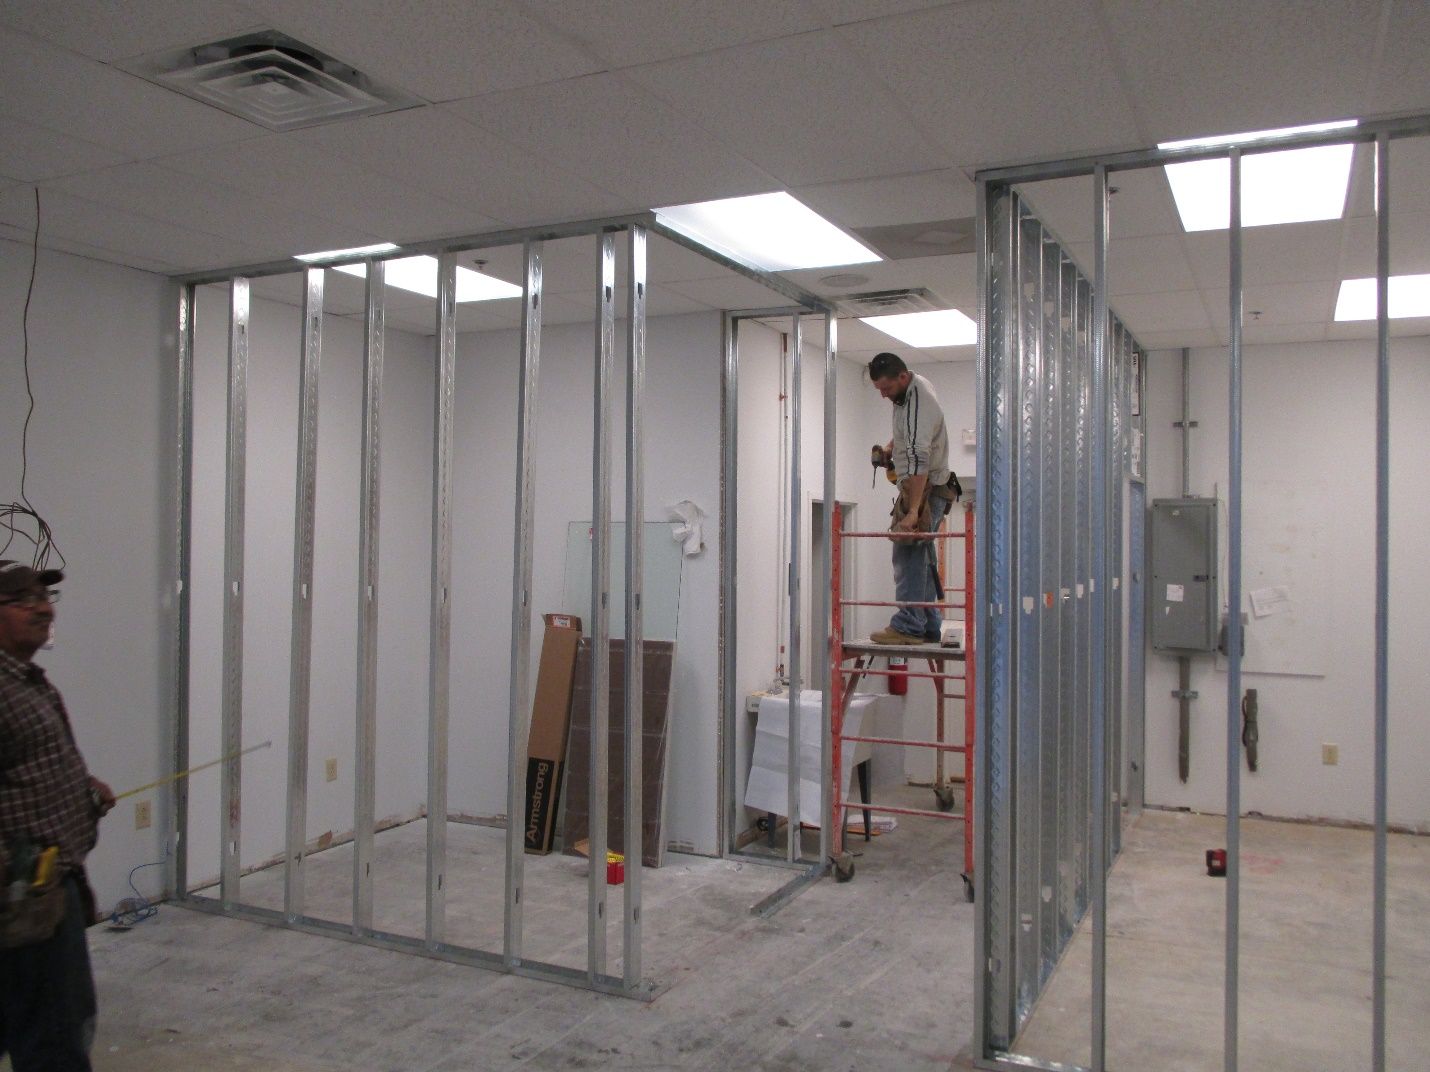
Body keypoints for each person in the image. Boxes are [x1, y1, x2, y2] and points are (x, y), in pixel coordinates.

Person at [0, 561, 113, 1071]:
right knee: (54, 1037)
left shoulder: (25, 681)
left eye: (46, 598)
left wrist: (80, 791)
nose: (44, 609)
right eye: (25, 600)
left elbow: (26, 768)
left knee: (42, 1024)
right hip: (22, 897)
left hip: (45, 889)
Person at [867, 352, 955, 645]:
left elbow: (920, 460)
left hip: (926, 487)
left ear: (902, 377)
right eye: (879, 390)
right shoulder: (906, 394)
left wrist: (914, 511)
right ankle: (928, 623)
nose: (883, 396)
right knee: (922, 555)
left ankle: (908, 625)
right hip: (922, 484)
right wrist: (892, 447)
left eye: (886, 389)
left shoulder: (919, 400)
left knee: (907, 553)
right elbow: (910, 435)